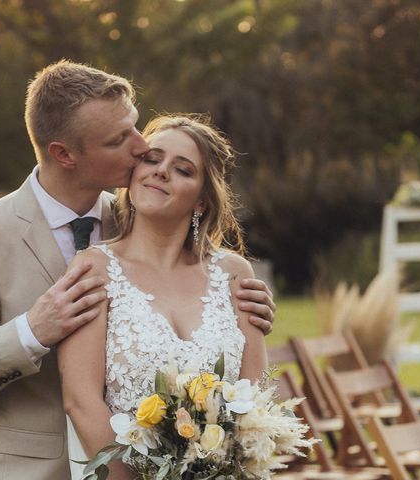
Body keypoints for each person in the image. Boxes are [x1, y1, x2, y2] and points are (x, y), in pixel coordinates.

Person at [0, 60, 275, 480]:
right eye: (119, 139)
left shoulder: (139, 219)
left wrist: (242, 308)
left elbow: (196, 278)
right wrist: (31, 332)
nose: (141, 146)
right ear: (64, 154)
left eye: (135, 126)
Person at [58, 114, 269, 479]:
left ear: (202, 201)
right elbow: (80, 401)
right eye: (152, 159)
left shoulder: (233, 274)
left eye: (183, 169)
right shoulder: (94, 268)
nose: (161, 172)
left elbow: (256, 398)